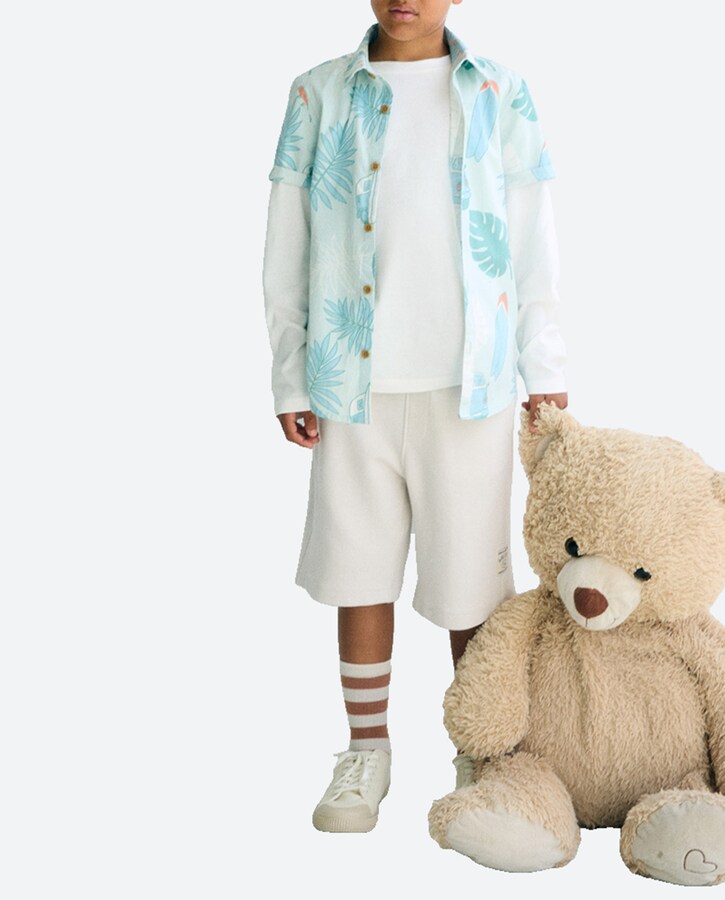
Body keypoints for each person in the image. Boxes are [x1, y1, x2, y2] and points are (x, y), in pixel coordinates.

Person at [263, 0, 568, 834]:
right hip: (348, 384)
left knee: (472, 586)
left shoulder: (499, 92)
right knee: (357, 573)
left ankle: (481, 751)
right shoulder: (318, 94)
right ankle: (367, 749)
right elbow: (286, 245)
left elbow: (531, 240)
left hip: (470, 385)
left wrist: (544, 368)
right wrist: (291, 376)